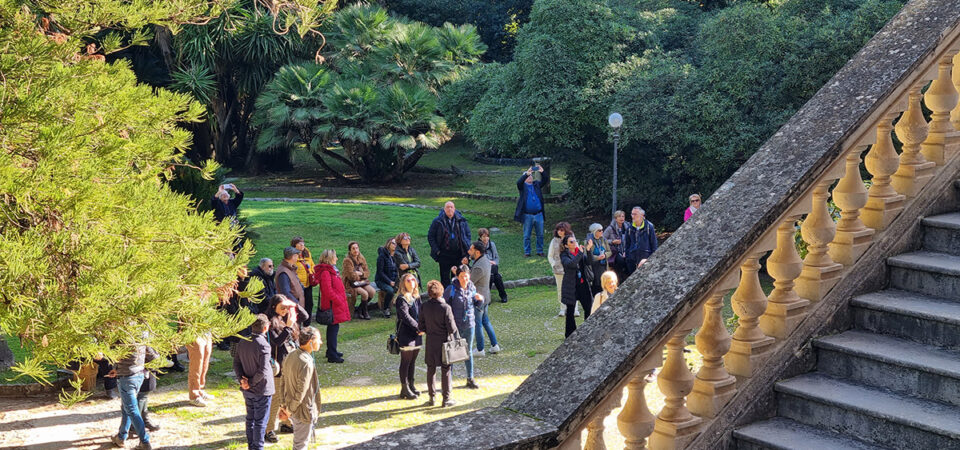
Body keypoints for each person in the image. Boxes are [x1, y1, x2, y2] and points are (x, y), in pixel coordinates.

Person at [264, 294, 306, 443]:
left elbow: (305, 316)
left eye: (286, 307)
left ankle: (286, 423)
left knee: (289, 396)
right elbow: (276, 341)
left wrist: (293, 305)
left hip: (290, 363)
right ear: (274, 307)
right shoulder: (270, 321)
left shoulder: (288, 316)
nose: (284, 310)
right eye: (282, 307)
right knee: (276, 399)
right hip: (278, 366)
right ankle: (268, 429)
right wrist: (288, 326)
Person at [277, 326, 323, 450]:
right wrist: (290, 409)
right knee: (300, 445)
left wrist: (283, 405)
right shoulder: (306, 362)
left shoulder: (291, 355)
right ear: (310, 342)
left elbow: (283, 381)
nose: (321, 342)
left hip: (291, 407)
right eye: (318, 339)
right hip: (302, 410)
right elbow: (301, 391)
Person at [233, 314, 274, 450]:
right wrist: (250, 382)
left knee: (250, 419)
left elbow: (236, 363)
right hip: (261, 389)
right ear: (266, 327)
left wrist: (242, 380)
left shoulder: (243, 341)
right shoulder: (264, 345)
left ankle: (251, 446)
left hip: (247, 389)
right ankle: (257, 447)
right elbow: (263, 370)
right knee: (260, 422)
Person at [109, 343, 159, 450]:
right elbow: (153, 356)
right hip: (139, 376)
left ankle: (145, 441)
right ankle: (121, 437)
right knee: (126, 407)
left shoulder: (121, 333)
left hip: (126, 378)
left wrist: (118, 367)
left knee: (131, 409)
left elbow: (114, 355)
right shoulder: (142, 333)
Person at [418, 280, 459, 407]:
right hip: (444, 342)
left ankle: (432, 398)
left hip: (431, 341)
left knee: (431, 369)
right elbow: (452, 328)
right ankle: (446, 399)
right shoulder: (446, 308)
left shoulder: (424, 306)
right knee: (446, 370)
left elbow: (421, 326)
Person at [444, 265, 483, 390]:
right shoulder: (451, 289)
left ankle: (470, 378)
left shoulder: (472, 287)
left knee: (469, 351)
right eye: (461, 276)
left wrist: (480, 300)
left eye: (466, 276)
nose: (464, 279)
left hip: (469, 324)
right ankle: (448, 380)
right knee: (452, 351)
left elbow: (476, 305)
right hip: (455, 325)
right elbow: (445, 307)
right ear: (457, 276)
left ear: (469, 276)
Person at [466, 241, 500, 357]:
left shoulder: (479, 267)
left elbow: (469, 281)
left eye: (471, 250)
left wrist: (460, 271)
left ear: (477, 252)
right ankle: (494, 345)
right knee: (486, 321)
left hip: (478, 299)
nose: (468, 251)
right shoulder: (484, 260)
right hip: (485, 297)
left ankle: (480, 349)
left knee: (478, 323)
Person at [316, 249, 349, 363]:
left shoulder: (331, 270)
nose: (337, 258)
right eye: (335, 256)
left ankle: (331, 350)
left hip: (335, 303)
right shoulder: (326, 272)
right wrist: (338, 299)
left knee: (334, 327)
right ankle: (332, 354)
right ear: (329, 258)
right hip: (332, 304)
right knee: (333, 328)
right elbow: (327, 290)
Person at [427, 201, 471, 287]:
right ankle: (446, 297)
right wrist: (437, 251)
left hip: (459, 254)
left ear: (454, 209)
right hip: (444, 254)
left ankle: (457, 296)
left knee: (458, 276)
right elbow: (431, 236)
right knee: (445, 278)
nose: (449, 209)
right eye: (447, 207)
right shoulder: (437, 221)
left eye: (451, 207)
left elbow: (468, 235)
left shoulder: (461, 220)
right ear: (444, 209)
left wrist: (466, 252)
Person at [395, 273, 422, 400]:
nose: (411, 281)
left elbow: (421, 313)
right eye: (408, 280)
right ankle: (404, 388)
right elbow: (405, 317)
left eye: (413, 279)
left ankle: (411, 384)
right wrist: (418, 327)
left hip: (417, 335)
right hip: (406, 335)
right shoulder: (401, 299)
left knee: (413, 361)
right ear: (403, 284)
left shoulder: (416, 297)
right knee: (405, 362)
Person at [561, 235, 593, 338]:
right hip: (571, 286)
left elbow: (589, 262)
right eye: (571, 242)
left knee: (588, 308)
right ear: (566, 245)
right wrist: (580, 252)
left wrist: (588, 250)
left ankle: (588, 330)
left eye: (575, 241)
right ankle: (570, 335)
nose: (574, 243)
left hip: (583, 285)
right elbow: (572, 264)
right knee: (570, 311)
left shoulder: (579, 253)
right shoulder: (564, 255)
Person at [548, 222, 579, 317]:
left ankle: (575, 309)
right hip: (559, 270)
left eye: (561, 230)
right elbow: (550, 255)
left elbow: (577, 251)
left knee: (573, 289)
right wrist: (554, 264)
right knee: (560, 289)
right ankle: (562, 308)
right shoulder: (554, 241)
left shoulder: (571, 239)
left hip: (571, 268)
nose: (559, 232)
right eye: (558, 230)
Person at [514, 165, 545, 257]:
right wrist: (526, 174)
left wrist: (542, 172)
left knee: (540, 234)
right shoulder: (522, 187)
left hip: (539, 214)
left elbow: (545, 180)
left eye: (531, 175)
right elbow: (518, 182)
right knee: (527, 235)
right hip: (528, 215)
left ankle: (540, 250)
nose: (530, 177)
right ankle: (527, 252)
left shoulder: (536, 185)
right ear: (525, 179)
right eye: (528, 176)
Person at [343, 241, 376, 320]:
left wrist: (360, 274)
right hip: (351, 284)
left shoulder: (361, 258)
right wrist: (360, 275)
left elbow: (367, 272)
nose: (355, 250)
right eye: (353, 248)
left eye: (357, 248)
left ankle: (360, 309)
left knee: (372, 291)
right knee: (365, 294)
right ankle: (365, 312)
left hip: (361, 282)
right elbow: (351, 276)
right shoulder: (347, 261)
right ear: (350, 250)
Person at [623, 206, 659, 277]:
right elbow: (627, 245)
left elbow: (654, 244)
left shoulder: (649, 227)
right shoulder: (629, 228)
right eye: (632, 214)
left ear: (642, 216)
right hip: (632, 260)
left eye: (635, 214)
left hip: (646, 259)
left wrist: (652, 259)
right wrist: (628, 258)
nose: (633, 216)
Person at [478, 228, 508, 303]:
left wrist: (494, 262)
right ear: (480, 237)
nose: (486, 238)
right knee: (493, 276)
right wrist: (488, 262)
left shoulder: (492, 244)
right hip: (483, 268)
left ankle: (503, 296)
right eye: (484, 237)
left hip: (493, 267)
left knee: (496, 276)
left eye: (487, 236)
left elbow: (497, 258)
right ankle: (487, 297)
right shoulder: (477, 246)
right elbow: (476, 260)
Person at [292, 237, 316, 325]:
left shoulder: (307, 254)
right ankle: (297, 325)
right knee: (299, 306)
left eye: (303, 243)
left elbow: (312, 265)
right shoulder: (292, 255)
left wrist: (311, 273)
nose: (302, 245)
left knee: (309, 304)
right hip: (298, 285)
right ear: (294, 245)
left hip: (308, 284)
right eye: (299, 243)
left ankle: (307, 325)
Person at [275, 246, 306, 315]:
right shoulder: (284, 272)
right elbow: (285, 292)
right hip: (290, 309)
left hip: (295, 306)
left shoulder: (290, 268)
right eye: (297, 255)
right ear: (293, 256)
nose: (297, 257)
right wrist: (297, 304)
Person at [186, 332, 213, 407]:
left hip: (207, 333)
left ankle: (200, 390)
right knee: (196, 365)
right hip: (194, 333)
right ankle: (194, 396)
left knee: (204, 362)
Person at [376, 238, 400, 318]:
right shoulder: (382, 256)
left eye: (396, 243)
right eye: (393, 243)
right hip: (381, 280)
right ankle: (386, 308)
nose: (395, 245)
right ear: (388, 244)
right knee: (390, 290)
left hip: (393, 280)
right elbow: (380, 272)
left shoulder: (395, 256)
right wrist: (389, 281)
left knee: (404, 286)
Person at [586, 223, 612, 295]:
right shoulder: (589, 241)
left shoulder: (604, 240)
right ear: (595, 231)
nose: (602, 232)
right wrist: (598, 257)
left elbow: (609, 251)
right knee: (597, 285)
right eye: (600, 230)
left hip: (604, 265)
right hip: (594, 266)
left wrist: (605, 255)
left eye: (602, 230)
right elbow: (587, 256)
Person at [604, 210, 629, 284]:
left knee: (630, 260)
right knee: (620, 261)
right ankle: (620, 279)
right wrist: (612, 241)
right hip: (615, 251)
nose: (621, 218)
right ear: (615, 218)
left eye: (623, 216)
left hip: (626, 249)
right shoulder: (610, 228)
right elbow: (603, 240)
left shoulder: (628, 227)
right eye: (619, 216)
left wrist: (626, 251)